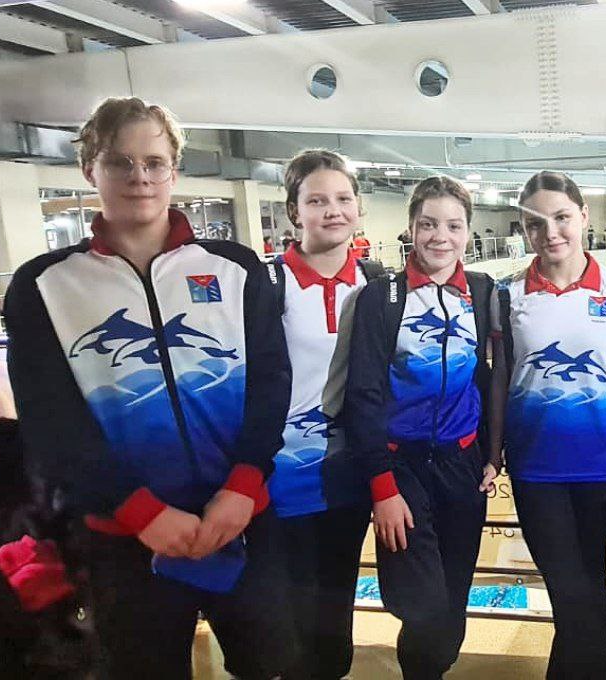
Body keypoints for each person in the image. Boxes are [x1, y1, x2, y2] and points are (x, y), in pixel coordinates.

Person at [4, 96, 298, 678]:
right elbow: (51, 421)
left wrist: (243, 485)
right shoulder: (45, 286)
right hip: (124, 537)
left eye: (154, 162)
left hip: (239, 517)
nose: (139, 177)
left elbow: (271, 382)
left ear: (174, 171)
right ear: (89, 169)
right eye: (120, 161)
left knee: (268, 663)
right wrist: (138, 510)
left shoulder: (235, 267)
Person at [489, 170, 606, 679]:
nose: (550, 232)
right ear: (523, 229)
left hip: (601, 463)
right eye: (535, 223)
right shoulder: (508, 295)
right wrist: (493, 453)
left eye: (561, 217)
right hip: (535, 467)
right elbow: (500, 381)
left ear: (583, 216)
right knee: (567, 586)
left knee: (589, 584)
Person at [344, 176, 496, 679]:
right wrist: (382, 486)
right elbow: (363, 394)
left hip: (462, 464)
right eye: (428, 224)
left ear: (468, 232)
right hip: (401, 466)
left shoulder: (481, 292)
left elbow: (489, 378)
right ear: (411, 228)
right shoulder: (382, 298)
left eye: (453, 226)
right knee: (422, 600)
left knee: (453, 601)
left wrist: (493, 454)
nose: (440, 237)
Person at [269, 150, 383, 678]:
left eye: (342, 198)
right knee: (288, 615)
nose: (333, 210)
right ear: (295, 211)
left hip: (348, 472)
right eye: (317, 200)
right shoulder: (268, 285)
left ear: (358, 206)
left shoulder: (377, 284)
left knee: (336, 605)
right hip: (279, 475)